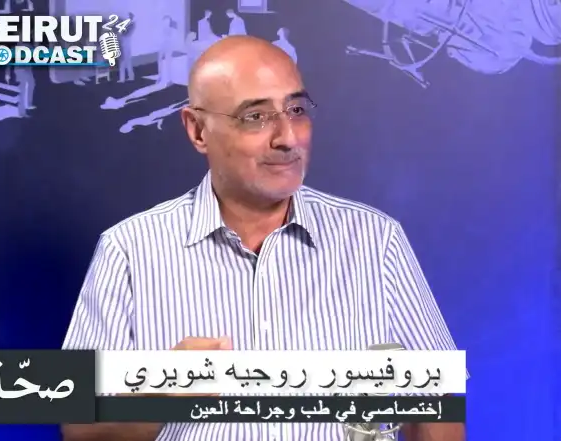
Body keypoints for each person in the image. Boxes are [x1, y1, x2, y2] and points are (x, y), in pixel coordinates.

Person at [60, 36, 465, 441]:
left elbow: (436, 403)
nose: (288, 137)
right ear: (198, 130)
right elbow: (78, 428)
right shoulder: (128, 250)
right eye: (255, 116)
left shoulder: (376, 240)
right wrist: (160, 393)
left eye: (296, 110)